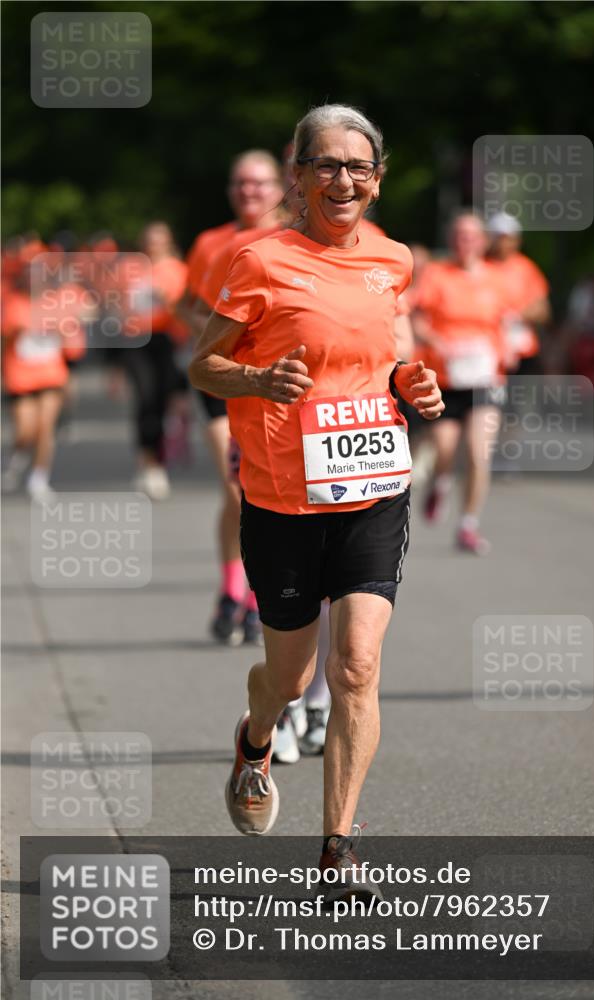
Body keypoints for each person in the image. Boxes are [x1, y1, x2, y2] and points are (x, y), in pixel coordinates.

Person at [189, 103, 442, 897]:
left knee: (357, 665)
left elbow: (388, 355)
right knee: (289, 677)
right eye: (325, 165)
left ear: (377, 178)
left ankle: (338, 847)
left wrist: (414, 384)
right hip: (280, 495)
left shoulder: (394, 260)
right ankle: (256, 740)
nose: (343, 180)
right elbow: (203, 365)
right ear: (297, 178)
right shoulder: (257, 260)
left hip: (370, 487)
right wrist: (260, 379)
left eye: (357, 166)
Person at [184, 151, 285, 644]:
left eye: (260, 184)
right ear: (230, 190)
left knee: (269, 492)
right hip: (224, 381)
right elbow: (189, 306)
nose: (251, 192)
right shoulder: (211, 244)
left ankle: (258, 594)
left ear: (280, 187)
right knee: (236, 487)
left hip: (280, 385)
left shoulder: (299, 237)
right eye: (241, 183)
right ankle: (233, 590)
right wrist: (216, 340)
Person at [411, 211, 507, 553]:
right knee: (445, 449)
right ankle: (440, 482)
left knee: (480, 452)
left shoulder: (497, 278)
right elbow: (417, 319)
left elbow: (515, 319)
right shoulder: (436, 274)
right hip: (446, 381)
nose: (464, 241)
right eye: (458, 235)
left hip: (485, 379)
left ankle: (468, 524)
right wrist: (436, 341)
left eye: (471, 235)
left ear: (482, 241)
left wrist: (510, 345)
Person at [1, 239, 86, 502]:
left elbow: (74, 343)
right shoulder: (13, 303)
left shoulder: (58, 303)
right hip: (20, 374)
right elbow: (5, 340)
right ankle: (20, 454)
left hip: (51, 374)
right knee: (26, 429)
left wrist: (64, 333)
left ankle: (39, 478)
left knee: (45, 427)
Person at [116, 222, 188, 500]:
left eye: (159, 240)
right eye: (149, 239)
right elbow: (117, 305)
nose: (153, 245)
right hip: (136, 340)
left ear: (168, 242)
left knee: (162, 401)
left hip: (168, 341)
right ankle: (149, 464)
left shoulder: (178, 269)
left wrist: (165, 301)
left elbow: (186, 309)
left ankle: (157, 461)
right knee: (145, 400)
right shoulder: (130, 268)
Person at [485, 211, 551, 375]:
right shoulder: (479, 266)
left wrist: (517, 317)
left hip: (522, 350)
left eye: (508, 237)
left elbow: (543, 310)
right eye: (499, 237)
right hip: (488, 350)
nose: (503, 243)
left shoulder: (526, 268)